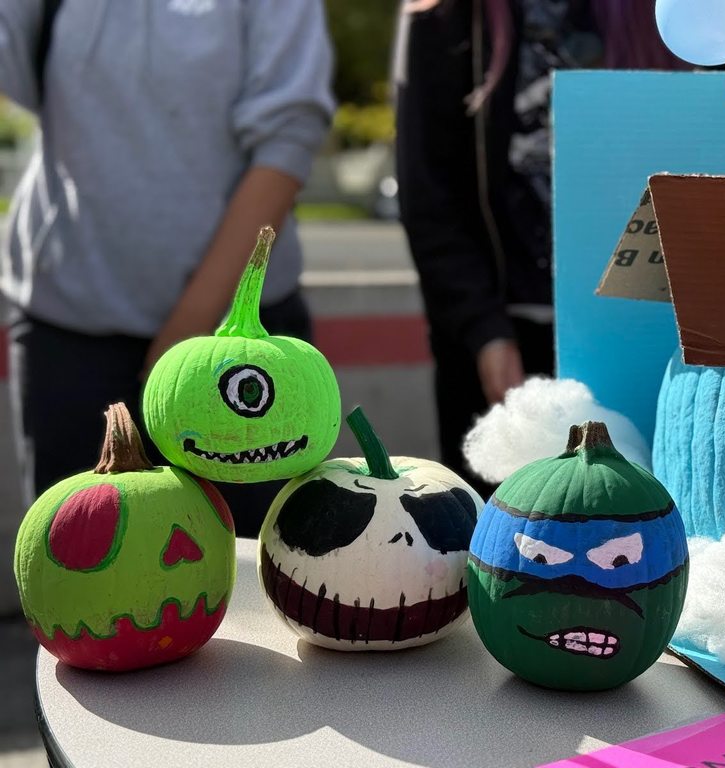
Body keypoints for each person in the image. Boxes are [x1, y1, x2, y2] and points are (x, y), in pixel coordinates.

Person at [0, 0, 335, 536]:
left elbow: (287, 139)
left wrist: (192, 329)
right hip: (69, 327)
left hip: (239, 342)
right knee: (83, 582)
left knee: (248, 589)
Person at [395, 0, 687, 495]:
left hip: (636, 332)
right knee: (502, 546)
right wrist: (483, 329)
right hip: (502, 346)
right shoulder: (442, 15)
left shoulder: (667, 14)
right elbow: (430, 194)